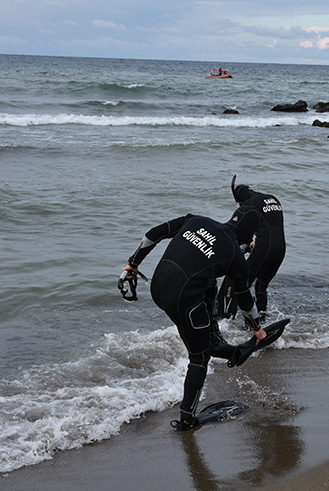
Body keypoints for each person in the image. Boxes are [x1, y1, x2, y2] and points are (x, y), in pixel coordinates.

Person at [122, 206, 267, 431]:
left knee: (208, 284)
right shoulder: (234, 256)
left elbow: (153, 234)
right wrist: (257, 329)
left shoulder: (196, 220)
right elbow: (244, 298)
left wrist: (133, 263)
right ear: (250, 235)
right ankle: (187, 419)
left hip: (159, 289)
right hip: (184, 301)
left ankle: (216, 343)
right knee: (198, 358)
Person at [230, 176, 286, 324]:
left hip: (264, 249)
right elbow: (269, 226)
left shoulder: (248, 204)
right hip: (281, 249)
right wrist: (254, 242)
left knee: (243, 285)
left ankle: (249, 324)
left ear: (240, 200)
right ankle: (262, 320)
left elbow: (238, 232)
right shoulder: (272, 198)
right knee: (261, 286)